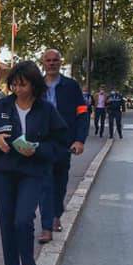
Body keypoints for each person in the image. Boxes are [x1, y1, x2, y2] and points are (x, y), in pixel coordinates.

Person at [0, 61, 69, 265]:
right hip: (4, 172)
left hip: (32, 172)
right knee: (7, 221)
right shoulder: (1, 107)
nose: (18, 90)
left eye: (23, 85)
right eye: (14, 85)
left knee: (23, 219)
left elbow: (60, 143)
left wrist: (38, 148)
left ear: (34, 85)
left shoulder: (46, 110)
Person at [38, 49, 89, 243]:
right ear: (43, 63)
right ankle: (46, 226)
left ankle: (56, 215)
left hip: (64, 144)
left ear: (60, 63)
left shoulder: (71, 87)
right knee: (45, 185)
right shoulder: (36, 86)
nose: (51, 63)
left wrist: (80, 140)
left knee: (59, 184)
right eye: (48, 60)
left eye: (55, 60)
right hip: (42, 144)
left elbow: (82, 113)